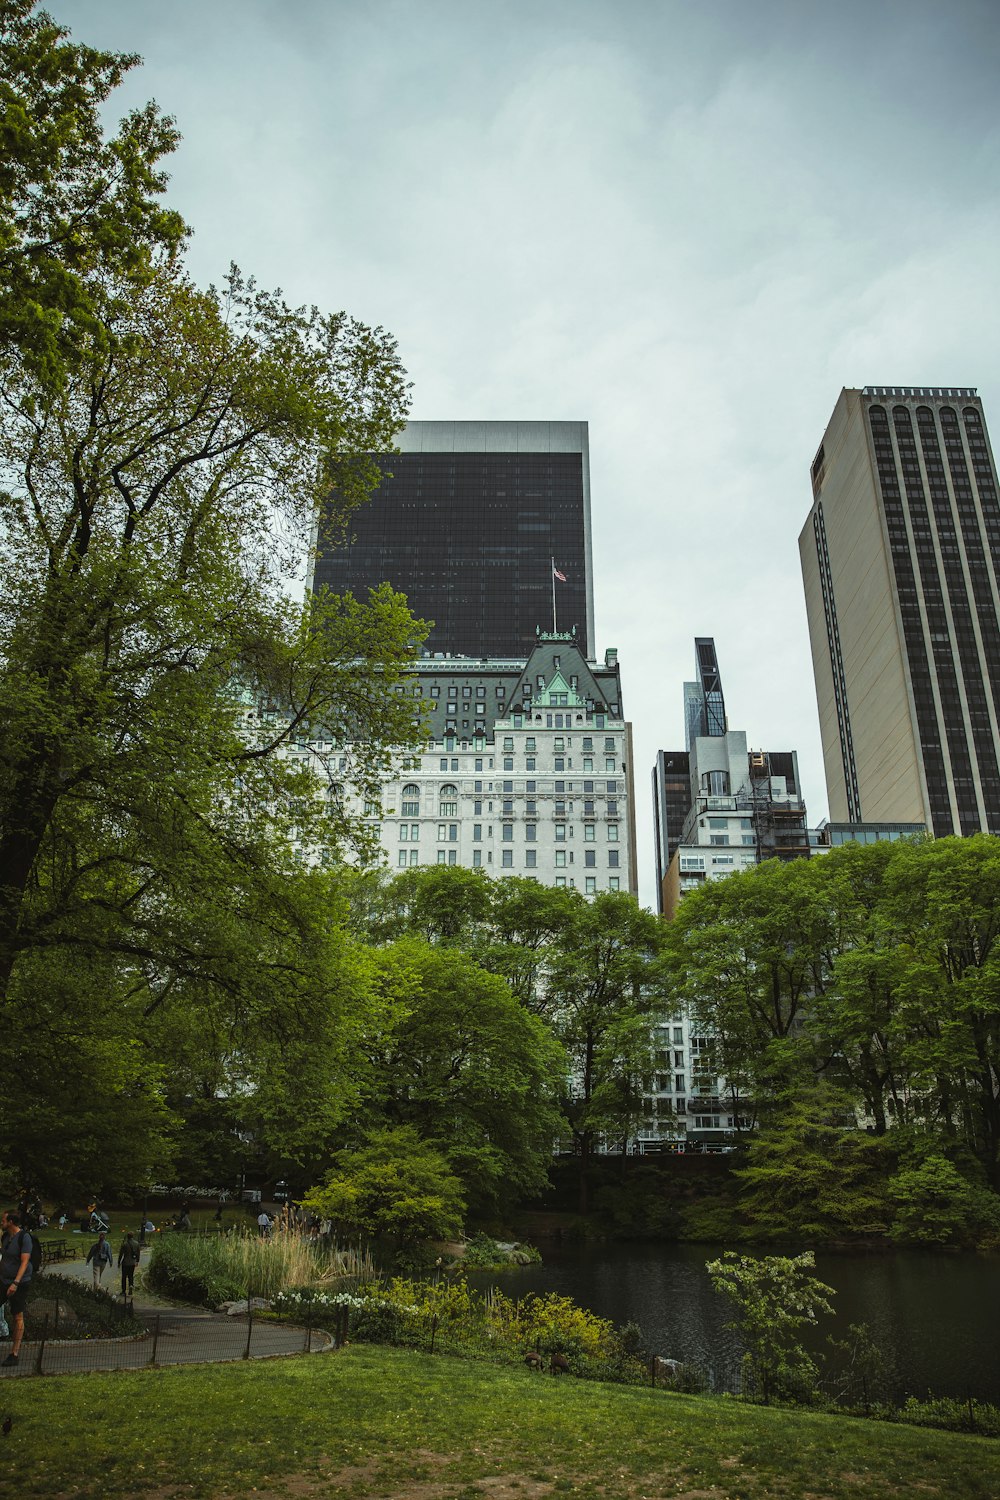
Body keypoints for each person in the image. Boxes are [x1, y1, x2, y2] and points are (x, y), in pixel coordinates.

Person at [0, 1208, 33, 1367]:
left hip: (19, 1283)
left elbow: (24, 1262)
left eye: (3, 1220)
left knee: (17, 1315)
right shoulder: (6, 1237)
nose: (1, 1222)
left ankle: (14, 1353)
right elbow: (5, 1258)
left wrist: (15, 1283)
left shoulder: (24, 1238)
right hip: (3, 1280)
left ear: (11, 1222)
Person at [117, 1233, 141, 1301]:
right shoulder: (136, 1243)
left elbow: (121, 1254)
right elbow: (138, 1253)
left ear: (127, 1237)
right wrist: (137, 1261)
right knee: (131, 1275)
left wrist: (119, 1262)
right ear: (133, 1236)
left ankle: (123, 1291)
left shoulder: (124, 1244)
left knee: (124, 1277)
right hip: (132, 1263)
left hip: (125, 1263)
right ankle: (131, 1285)